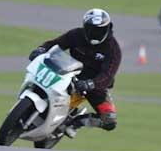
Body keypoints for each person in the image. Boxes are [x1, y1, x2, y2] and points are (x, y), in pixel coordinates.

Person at [28, 8, 121, 136]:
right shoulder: (76, 34)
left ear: (108, 28)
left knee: (109, 121)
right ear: (85, 27)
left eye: (99, 30)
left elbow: (108, 75)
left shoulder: (113, 49)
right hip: (67, 72)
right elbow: (55, 43)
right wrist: (41, 49)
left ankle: (76, 122)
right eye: (91, 29)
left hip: (93, 84)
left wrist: (91, 84)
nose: (94, 33)